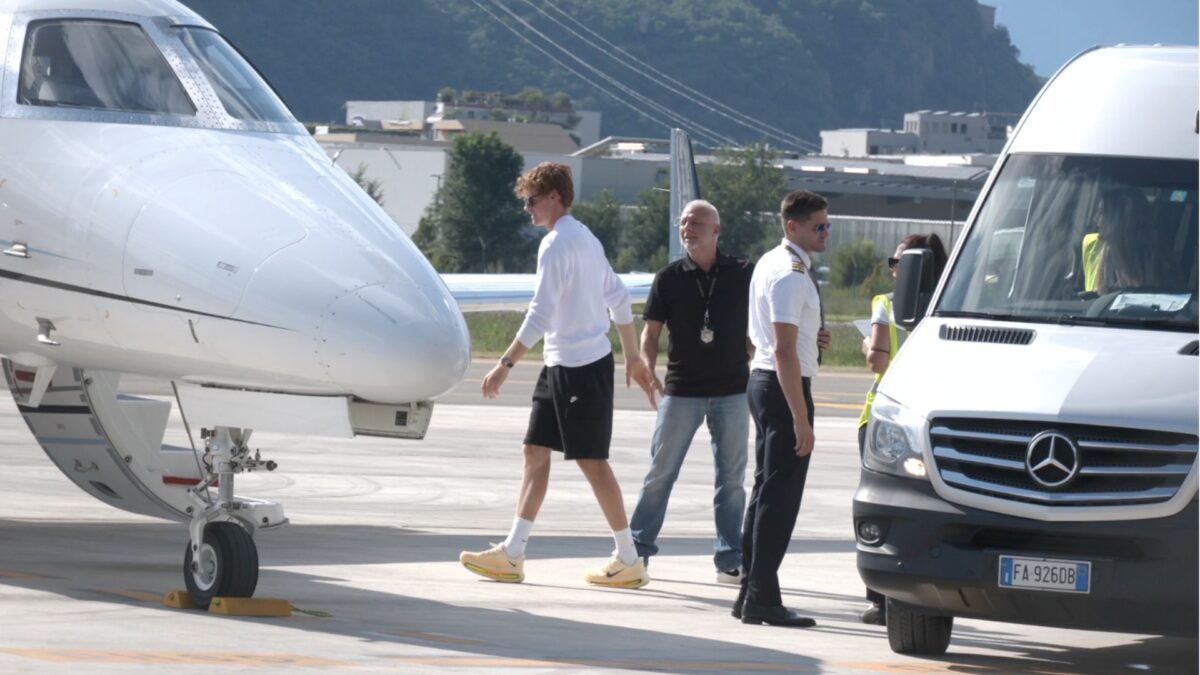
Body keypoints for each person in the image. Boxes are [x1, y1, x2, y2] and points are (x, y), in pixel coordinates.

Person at [459, 162, 657, 588]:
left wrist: (504, 364)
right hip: (562, 364)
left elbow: (540, 313)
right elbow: (619, 298)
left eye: (532, 200)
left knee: (591, 462)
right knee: (534, 450)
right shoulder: (586, 239)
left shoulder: (558, 244)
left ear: (554, 197)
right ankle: (513, 553)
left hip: (581, 367)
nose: (527, 209)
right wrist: (630, 355)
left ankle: (628, 558)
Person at [628, 199, 755, 584]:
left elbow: (767, 320)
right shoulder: (668, 278)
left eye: (697, 222)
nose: (688, 228)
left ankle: (730, 557)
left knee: (731, 481)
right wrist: (648, 368)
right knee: (660, 474)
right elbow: (651, 334)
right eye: (684, 222)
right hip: (681, 391)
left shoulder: (743, 272)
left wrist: (750, 352)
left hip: (733, 391)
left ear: (716, 230)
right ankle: (636, 551)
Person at [733, 189, 832, 627]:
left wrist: (814, 339)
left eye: (827, 225)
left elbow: (770, 338)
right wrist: (800, 418)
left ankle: (750, 591)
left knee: (765, 491)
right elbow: (785, 352)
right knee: (780, 498)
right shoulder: (792, 273)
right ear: (793, 226)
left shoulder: (770, 262)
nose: (826, 233)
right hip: (782, 386)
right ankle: (763, 597)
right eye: (819, 226)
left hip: (764, 380)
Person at [855, 232, 948, 626]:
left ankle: (881, 600)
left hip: (889, 417)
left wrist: (866, 349)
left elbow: (877, 361)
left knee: (884, 504)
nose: (894, 271)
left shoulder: (887, 304)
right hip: (936, 418)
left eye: (898, 264)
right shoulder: (951, 306)